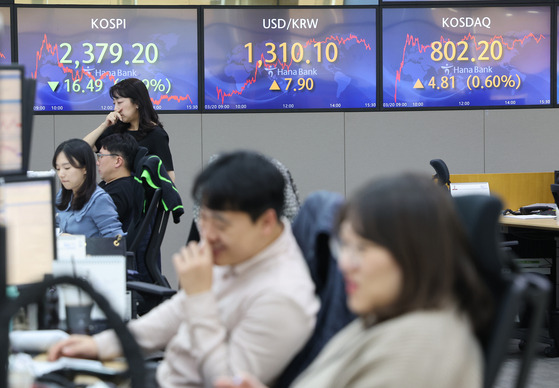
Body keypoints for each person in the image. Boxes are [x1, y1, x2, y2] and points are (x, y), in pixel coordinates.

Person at [48, 150, 320, 387]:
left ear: (266, 223)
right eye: (204, 220)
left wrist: (200, 297)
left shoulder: (284, 297)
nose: (208, 235)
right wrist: (99, 345)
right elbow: (174, 314)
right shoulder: (242, 252)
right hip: (162, 376)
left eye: (221, 225)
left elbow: (225, 381)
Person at [215, 173, 493, 388]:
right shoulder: (383, 321)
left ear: (414, 252)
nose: (345, 263)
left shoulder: (418, 346)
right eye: (344, 246)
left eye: (362, 249)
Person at [83, 77, 175, 182]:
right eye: (114, 103)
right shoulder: (116, 129)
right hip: (116, 191)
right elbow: (83, 149)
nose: (116, 109)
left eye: (120, 102)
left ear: (137, 103)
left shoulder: (156, 134)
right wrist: (104, 125)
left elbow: (169, 176)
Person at [53, 138, 123, 238]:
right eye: (58, 169)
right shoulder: (63, 194)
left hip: (89, 253)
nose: (61, 174)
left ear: (85, 168)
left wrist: (77, 242)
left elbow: (115, 240)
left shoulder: (99, 200)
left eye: (67, 168)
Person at [97, 133, 143, 234]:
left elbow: (96, 227)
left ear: (118, 161)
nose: (97, 162)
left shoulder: (120, 191)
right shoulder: (113, 184)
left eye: (100, 156)